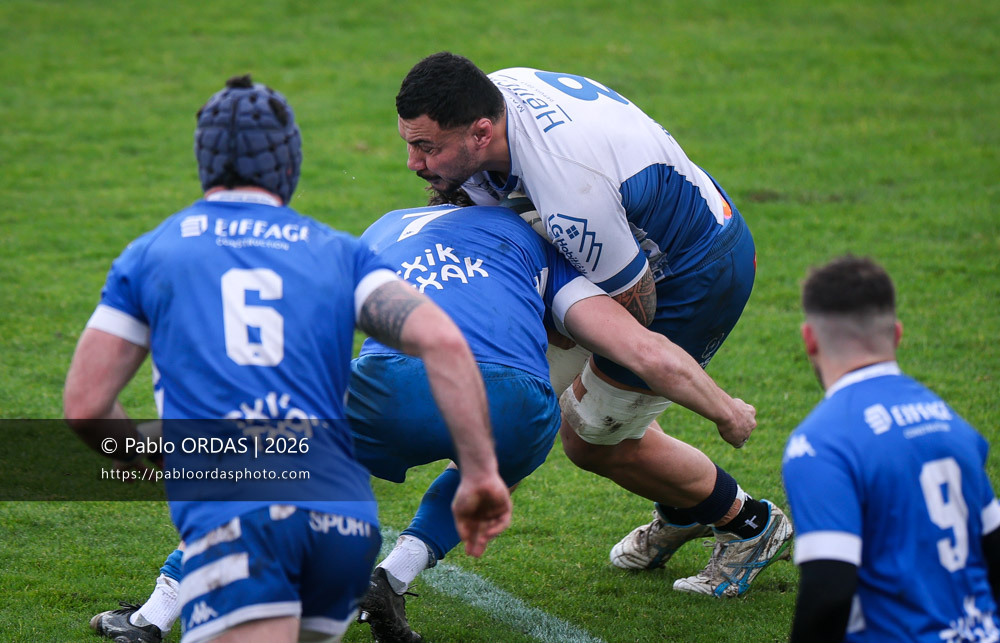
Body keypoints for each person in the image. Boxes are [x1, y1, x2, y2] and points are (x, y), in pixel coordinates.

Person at [65, 75, 511, 643]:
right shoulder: (336, 251)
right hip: (344, 524)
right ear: (289, 163)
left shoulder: (153, 253)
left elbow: (85, 406)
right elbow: (444, 343)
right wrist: (477, 473)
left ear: (205, 162)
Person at [393, 51, 792, 597]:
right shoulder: (492, 99)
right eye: (410, 143)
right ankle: (684, 509)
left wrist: (535, 330)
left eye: (427, 147)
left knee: (591, 437)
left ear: (481, 132)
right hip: (644, 233)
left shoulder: (569, 190)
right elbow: (487, 209)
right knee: (508, 392)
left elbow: (631, 311)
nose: (414, 163)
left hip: (691, 274)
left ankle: (749, 523)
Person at [349, 194, 763, 640]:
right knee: (495, 458)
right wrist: (726, 411)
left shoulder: (385, 226)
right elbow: (643, 350)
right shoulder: (535, 240)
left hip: (388, 382)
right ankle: (390, 578)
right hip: (514, 404)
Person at [783, 255, 1000, 642]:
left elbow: (828, 589)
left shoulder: (819, 444)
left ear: (809, 338)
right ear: (897, 334)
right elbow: (994, 548)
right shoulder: (952, 423)